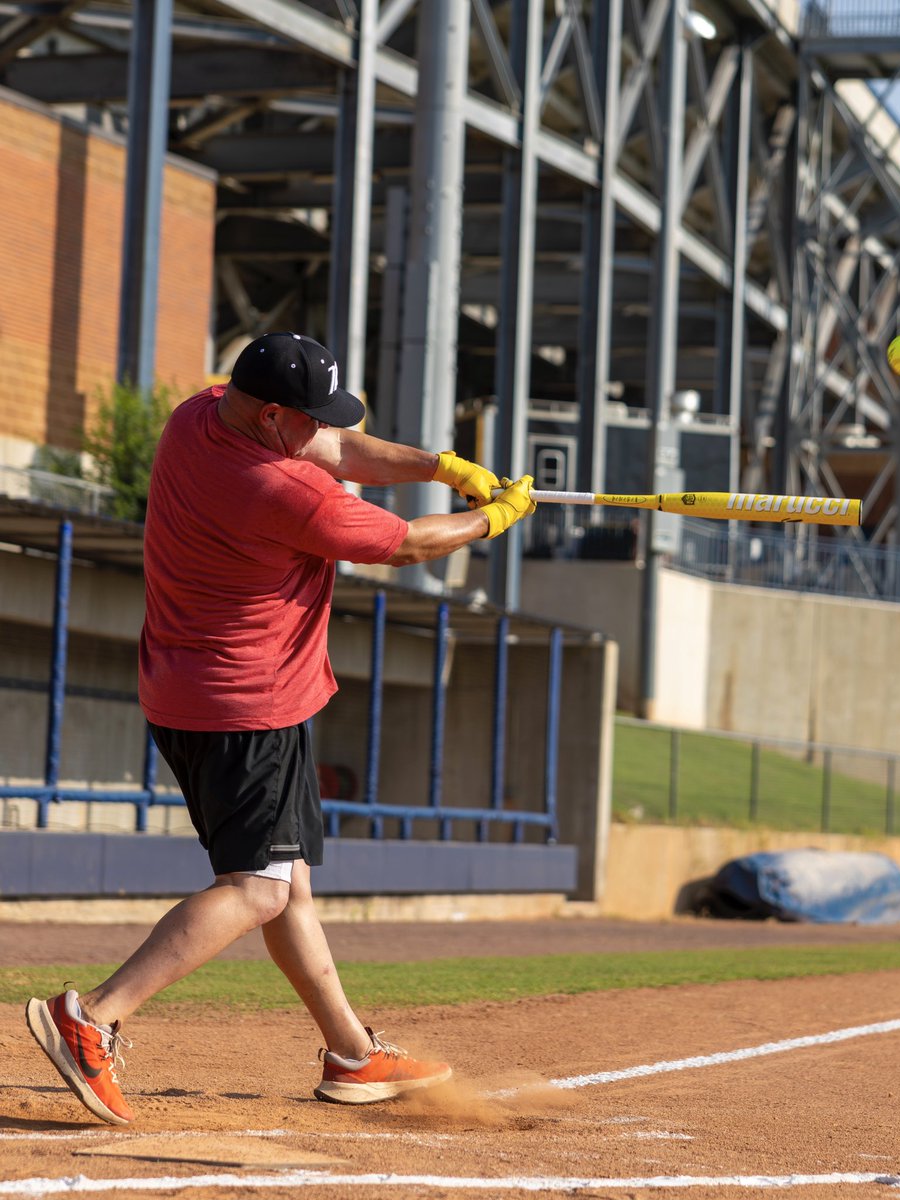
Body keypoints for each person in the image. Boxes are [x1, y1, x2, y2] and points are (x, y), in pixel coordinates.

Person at [26, 331, 537, 1125]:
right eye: (308, 418)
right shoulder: (280, 492)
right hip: (245, 707)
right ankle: (91, 1015)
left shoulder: (199, 416)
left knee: (287, 882)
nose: (323, 432)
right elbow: (408, 544)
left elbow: (344, 448)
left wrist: (444, 466)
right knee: (257, 888)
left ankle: (352, 1056)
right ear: (270, 418)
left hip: (197, 690)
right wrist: (495, 518)